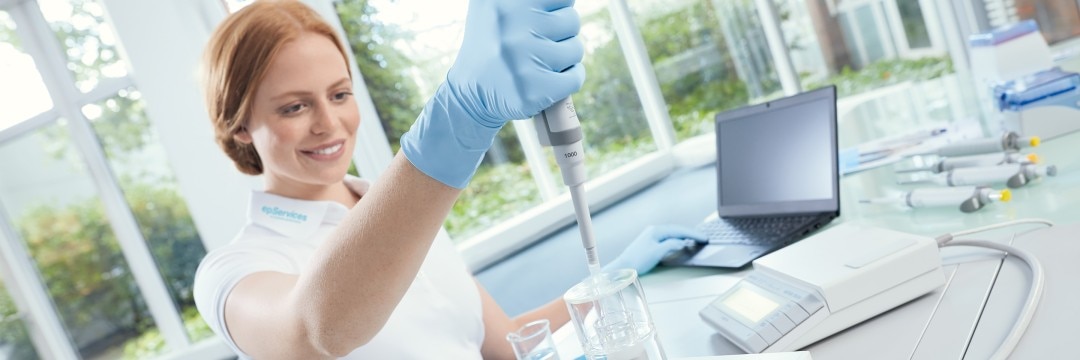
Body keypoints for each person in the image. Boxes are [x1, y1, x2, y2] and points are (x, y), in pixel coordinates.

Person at [192, 0, 706, 358]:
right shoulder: (231, 272)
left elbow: (502, 344)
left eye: (340, 94)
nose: (328, 123)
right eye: (295, 106)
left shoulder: (391, 206)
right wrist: (461, 114)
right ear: (239, 128)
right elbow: (315, 330)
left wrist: (610, 281)